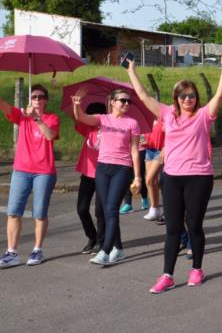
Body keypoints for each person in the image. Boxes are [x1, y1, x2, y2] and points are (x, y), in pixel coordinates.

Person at [126, 57, 222, 293]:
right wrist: (132, 71)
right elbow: (143, 97)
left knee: (194, 225)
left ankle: (197, 269)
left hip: (199, 177)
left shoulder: (203, 116)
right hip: (172, 178)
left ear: (196, 98)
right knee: (172, 228)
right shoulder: (167, 115)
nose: (187, 99)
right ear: (176, 99)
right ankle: (167, 275)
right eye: (183, 96)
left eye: (191, 95)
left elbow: (220, 97)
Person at [73, 88, 142, 266]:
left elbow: (134, 150)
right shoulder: (102, 119)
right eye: (122, 100)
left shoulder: (132, 123)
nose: (126, 104)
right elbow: (82, 117)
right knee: (105, 210)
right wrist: (77, 104)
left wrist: (138, 177)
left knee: (111, 209)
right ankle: (118, 249)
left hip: (122, 169)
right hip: (102, 168)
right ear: (112, 102)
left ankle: (105, 250)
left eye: (129, 101)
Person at [0, 85, 59, 268]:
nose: (38, 100)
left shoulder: (52, 118)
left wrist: (37, 119)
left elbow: (50, 135)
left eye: (41, 97)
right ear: (30, 100)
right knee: (13, 212)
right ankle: (12, 252)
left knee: (40, 213)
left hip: (44, 171)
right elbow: (5, 107)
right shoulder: (22, 116)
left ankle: (37, 249)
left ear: (46, 101)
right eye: (34, 97)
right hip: (21, 170)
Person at [73, 102, 107, 253]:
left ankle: (102, 240)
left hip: (104, 175)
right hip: (87, 173)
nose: (90, 118)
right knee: (81, 209)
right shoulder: (87, 128)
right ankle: (92, 236)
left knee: (100, 211)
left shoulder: (110, 127)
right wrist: (77, 105)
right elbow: (77, 118)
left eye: (92, 115)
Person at [142, 118, 165, 221]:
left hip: (161, 151)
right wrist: (142, 139)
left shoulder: (164, 118)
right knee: (152, 181)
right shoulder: (145, 120)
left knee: (149, 179)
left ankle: (156, 208)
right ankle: (155, 209)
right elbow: (143, 137)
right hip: (149, 150)